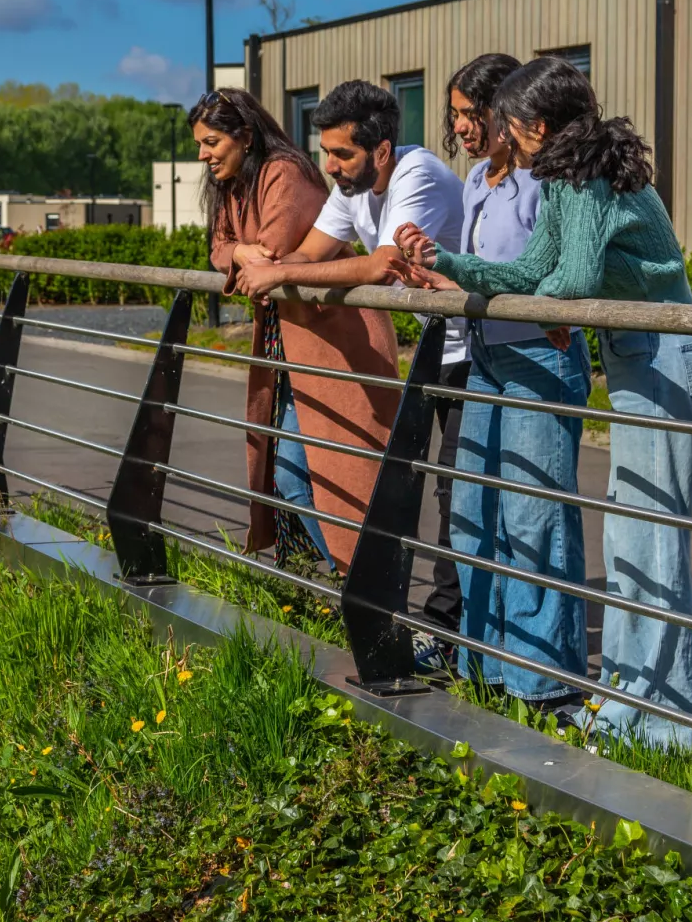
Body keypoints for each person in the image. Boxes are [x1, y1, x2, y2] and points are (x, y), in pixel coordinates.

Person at [395, 56, 692, 749]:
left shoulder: (591, 178)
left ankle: (663, 724)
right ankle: (635, 710)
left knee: (651, 547)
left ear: (536, 126)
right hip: (638, 360)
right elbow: (527, 272)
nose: (496, 133)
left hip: (670, 363)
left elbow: (570, 277)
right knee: (631, 544)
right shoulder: (566, 181)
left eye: (505, 122)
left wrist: (545, 306)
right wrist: (446, 264)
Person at [236, 80, 468, 648]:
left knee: (457, 497)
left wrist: (278, 273)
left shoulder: (418, 175)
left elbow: (379, 267)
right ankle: (378, 606)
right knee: (312, 476)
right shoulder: (352, 188)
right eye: (328, 152)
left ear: (382, 151)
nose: (331, 166)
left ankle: (444, 632)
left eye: (343, 154)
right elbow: (307, 256)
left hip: (480, 351)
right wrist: (251, 257)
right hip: (442, 350)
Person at [433, 53, 594, 724]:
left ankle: (546, 683)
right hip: (485, 359)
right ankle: (486, 665)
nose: (466, 127)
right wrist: (440, 266)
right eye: (457, 116)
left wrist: (543, 303)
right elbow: (497, 269)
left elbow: (555, 266)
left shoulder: (548, 177)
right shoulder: (477, 181)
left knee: (534, 518)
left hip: (540, 354)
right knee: (474, 514)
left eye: (476, 114)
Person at [197, 88, 401, 573]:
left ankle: (359, 585)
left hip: (338, 343)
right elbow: (221, 246)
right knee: (293, 474)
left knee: (333, 476)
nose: (203, 156)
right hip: (295, 346)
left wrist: (246, 253)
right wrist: (240, 254)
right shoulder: (237, 183)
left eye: (210, 143)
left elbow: (274, 253)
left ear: (244, 136)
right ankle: (345, 582)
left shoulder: (282, 173)